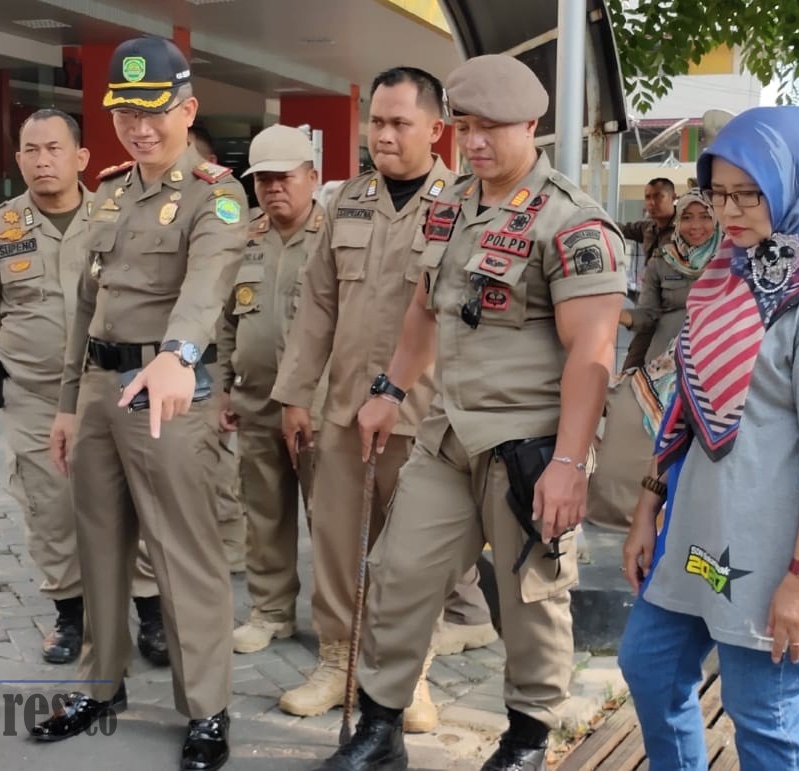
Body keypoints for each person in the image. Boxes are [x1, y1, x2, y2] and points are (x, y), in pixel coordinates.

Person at [319, 55, 627, 771]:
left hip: (528, 448)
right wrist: (389, 391)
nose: (476, 142)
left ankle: (525, 741)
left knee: (530, 602)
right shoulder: (453, 203)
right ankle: (381, 727)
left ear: (531, 125)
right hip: (448, 435)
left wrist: (570, 463)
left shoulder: (573, 222)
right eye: (465, 127)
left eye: (491, 128)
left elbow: (593, 352)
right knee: (397, 574)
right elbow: (425, 310)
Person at [618, 106, 799, 770]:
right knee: (648, 665)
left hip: (768, 554)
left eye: (748, 192)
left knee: (762, 719)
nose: (728, 211)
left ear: (795, 183)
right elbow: (681, 400)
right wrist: (649, 504)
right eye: (716, 192)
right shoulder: (731, 272)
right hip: (697, 539)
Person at [34, 37, 247, 771]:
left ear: (187, 109)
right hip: (98, 389)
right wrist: (67, 404)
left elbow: (207, 286)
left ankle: (208, 708)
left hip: (167, 395)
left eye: (153, 112)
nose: (139, 127)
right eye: (125, 112)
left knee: (184, 552)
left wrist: (178, 353)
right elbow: (87, 309)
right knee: (97, 544)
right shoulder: (115, 192)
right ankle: (102, 684)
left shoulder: (217, 192)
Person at [270, 66, 493, 731]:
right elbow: (317, 305)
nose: (385, 135)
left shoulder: (465, 204)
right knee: (337, 544)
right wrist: (293, 395)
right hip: (343, 410)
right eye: (377, 121)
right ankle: (337, 661)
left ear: (436, 128)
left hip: (426, 418)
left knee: (411, 558)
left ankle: (409, 676)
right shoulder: (348, 200)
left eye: (401, 123)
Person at [0, 108, 163, 665]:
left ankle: (149, 610)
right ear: (18, 159)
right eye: (30, 150)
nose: (42, 161)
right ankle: (70, 614)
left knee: (136, 498)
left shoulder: (118, 215)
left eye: (54, 149)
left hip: (113, 388)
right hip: (36, 395)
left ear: (80, 158)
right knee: (50, 508)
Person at [216, 124, 323, 654]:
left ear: (312, 177)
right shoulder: (246, 238)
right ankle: (271, 611)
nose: (273, 188)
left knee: (328, 520)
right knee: (264, 514)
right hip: (256, 402)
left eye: (284, 178)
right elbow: (224, 325)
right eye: (262, 180)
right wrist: (220, 391)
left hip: (320, 408)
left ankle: (336, 622)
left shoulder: (336, 238)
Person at [188, 123, 248, 573]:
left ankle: (230, 553)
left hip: (208, 364)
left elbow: (231, 314)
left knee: (220, 469)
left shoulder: (227, 215)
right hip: (153, 363)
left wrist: (227, 379)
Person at [618, 190, 721, 368]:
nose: (695, 226)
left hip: (715, 361)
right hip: (665, 364)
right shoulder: (662, 261)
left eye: (705, 217)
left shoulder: (732, 261)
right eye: (687, 217)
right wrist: (615, 315)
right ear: (678, 221)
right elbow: (648, 315)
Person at [619, 177, 677, 365]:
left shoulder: (686, 230)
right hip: (649, 305)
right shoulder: (648, 228)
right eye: (648, 197)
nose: (652, 203)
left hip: (674, 308)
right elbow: (622, 228)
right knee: (633, 365)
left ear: (673, 197)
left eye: (659, 196)